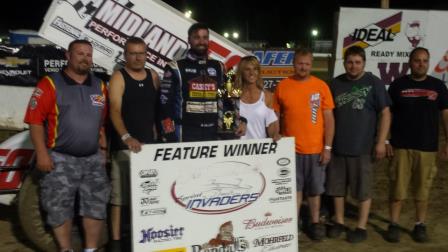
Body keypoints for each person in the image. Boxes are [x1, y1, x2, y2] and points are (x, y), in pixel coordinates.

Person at [24, 39, 109, 252]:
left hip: (92, 160)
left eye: (88, 55)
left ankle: (90, 249)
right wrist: (42, 154)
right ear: (68, 56)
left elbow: (100, 121)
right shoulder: (49, 84)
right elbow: (35, 122)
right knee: (59, 207)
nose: (85, 58)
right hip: (60, 158)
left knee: (96, 206)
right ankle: (65, 249)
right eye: (80, 53)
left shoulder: (99, 85)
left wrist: (103, 147)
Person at [325, 46, 391, 243]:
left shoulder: (374, 83)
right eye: (350, 62)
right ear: (344, 63)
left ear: (363, 63)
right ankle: (339, 221)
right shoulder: (336, 83)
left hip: (363, 147)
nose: (353, 66)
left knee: (363, 190)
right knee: (336, 188)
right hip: (338, 146)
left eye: (357, 62)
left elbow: (386, 113)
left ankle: (361, 227)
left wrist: (381, 141)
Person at [385, 47, 448, 243]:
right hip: (400, 147)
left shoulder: (438, 86)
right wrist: (386, 140)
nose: (421, 64)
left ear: (428, 63)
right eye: (417, 60)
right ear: (410, 62)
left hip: (427, 148)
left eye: (424, 60)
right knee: (398, 190)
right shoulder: (397, 85)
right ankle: (393, 224)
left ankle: (420, 224)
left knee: (422, 191)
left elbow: (445, 114)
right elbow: (388, 114)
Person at [273, 47, 335, 241]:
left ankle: (315, 223)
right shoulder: (283, 86)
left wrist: (327, 147)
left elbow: (329, 119)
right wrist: (275, 133)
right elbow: (275, 115)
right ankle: (294, 222)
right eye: (300, 63)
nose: (303, 67)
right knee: (295, 189)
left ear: (312, 65)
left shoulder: (321, 86)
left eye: (307, 64)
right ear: (294, 63)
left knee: (315, 190)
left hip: (316, 150)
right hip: (291, 150)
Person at [107, 37, 160, 251]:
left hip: (150, 150)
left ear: (146, 55)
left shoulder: (154, 76)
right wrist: (126, 137)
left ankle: (148, 238)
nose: (138, 57)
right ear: (125, 55)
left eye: (141, 53)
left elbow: (159, 111)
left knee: (150, 197)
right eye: (133, 53)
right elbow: (114, 110)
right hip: (125, 148)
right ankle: (116, 242)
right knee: (119, 199)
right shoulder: (119, 77)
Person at [159, 22, 246, 142]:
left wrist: (233, 126)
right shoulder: (175, 67)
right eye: (197, 37)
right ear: (189, 40)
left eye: (205, 38)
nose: (201, 41)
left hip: (213, 133)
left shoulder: (219, 67)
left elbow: (226, 101)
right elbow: (165, 103)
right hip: (185, 133)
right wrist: (168, 131)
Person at [235, 56, 280, 140]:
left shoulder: (267, 96)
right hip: (237, 150)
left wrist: (275, 134)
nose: (252, 73)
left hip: (259, 150)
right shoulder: (233, 96)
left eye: (255, 69)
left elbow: (272, 125)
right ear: (241, 72)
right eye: (247, 69)